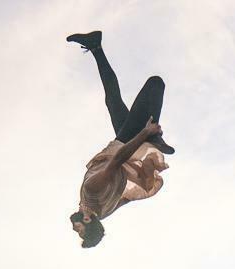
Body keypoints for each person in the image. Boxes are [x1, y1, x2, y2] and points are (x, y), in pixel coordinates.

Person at [66, 29, 170, 248]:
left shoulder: (102, 212)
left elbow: (125, 198)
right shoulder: (92, 193)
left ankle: (95, 46)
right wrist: (144, 134)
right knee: (155, 83)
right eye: (80, 232)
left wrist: (142, 174)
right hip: (124, 145)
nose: (75, 230)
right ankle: (153, 136)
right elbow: (116, 162)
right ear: (87, 220)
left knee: (112, 99)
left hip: (124, 145)